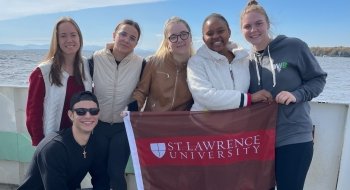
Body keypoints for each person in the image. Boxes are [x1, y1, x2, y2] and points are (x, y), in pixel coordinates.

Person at [240, 1, 327, 189]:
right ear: (242, 30)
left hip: (294, 138)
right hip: (261, 142)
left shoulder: (294, 46)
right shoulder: (245, 61)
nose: (253, 30)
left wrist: (297, 94)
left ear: (268, 24)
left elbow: (318, 79)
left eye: (258, 23)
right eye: (247, 26)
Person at [88, 19, 144, 190]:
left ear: (136, 42)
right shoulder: (95, 59)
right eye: (123, 34)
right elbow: (83, 86)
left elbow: (143, 90)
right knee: (99, 173)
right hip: (98, 126)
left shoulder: (141, 63)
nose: (127, 40)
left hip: (123, 127)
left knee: (116, 172)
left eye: (132, 38)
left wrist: (135, 105)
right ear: (114, 35)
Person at [18, 91, 109, 190]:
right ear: (71, 115)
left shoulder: (96, 143)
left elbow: (101, 180)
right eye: (80, 111)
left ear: (98, 114)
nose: (88, 116)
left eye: (93, 111)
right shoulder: (54, 148)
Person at [26, 16, 92, 146]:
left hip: (82, 139)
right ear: (56, 40)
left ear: (80, 38)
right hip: (53, 142)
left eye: (73, 35)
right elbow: (33, 112)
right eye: (63, 36)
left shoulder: (87, 66)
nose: (69, 40)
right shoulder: (43, 72)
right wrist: (40, 144)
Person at [187, 13, 272, 111]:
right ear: (203, 38)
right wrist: (249, 98)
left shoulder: (244, 59)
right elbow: (204, 96)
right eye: (209, 33)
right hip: (204, 124)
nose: (215, 36)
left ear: (229, 32)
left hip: (237, 123)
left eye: (220, 31)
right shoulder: (196, 62)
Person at [132, 16, 194, 111]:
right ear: (167, 43)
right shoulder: (154, 62)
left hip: (182, 123)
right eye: (173, 37)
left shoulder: (197, 66)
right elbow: (141, 92)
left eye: (184, 34)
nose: (180, 40)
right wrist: (132, 108)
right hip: (153, 122)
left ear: (190, 37)